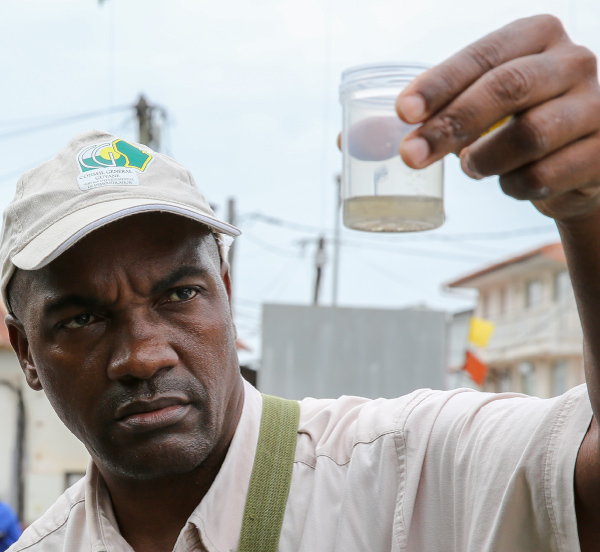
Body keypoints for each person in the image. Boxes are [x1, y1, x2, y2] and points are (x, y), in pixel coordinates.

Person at [4, 13, 600, 552]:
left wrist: (588, 210)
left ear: (226, 293)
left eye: (180, 294)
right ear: (26, 352)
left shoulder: (399, 471)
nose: (143, 355)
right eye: (82, 319)